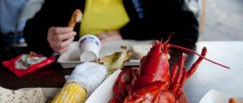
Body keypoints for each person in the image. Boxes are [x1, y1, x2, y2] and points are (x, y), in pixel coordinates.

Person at [23, 0, 200, 55]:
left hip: (138, 70)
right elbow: (31, 31)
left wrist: (125, 33)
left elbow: (188, 29)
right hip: (76, 71)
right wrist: (48, 36)